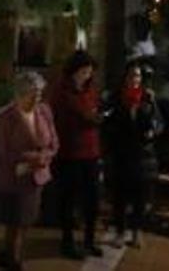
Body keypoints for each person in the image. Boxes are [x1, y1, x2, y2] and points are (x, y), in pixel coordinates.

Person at [0, 71, 58, 271]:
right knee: (15, 223)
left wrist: (46, 156)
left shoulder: (44, 111)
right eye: (33, 94)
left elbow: (54, 142)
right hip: (12, 177)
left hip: (36, 177)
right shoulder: (4, 117)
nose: (37, 98)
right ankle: (14, 261)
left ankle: (10, 256)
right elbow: (0, 152)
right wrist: (32, 158)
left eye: (39, 93)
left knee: (27, 221)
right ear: (20, 94)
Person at [103, 60, 163, 248]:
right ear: (125, 77)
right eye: (131, 75)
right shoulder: (115, 97)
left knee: (140, 196)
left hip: (142, 154)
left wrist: (153, 131)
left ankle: (136, 232)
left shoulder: (147, 97)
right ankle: (120, 232)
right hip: (121, 153)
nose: (134, 79)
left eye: (137, 76)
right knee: (120, 195)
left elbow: (159, 121)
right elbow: (107, 122)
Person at [51, 50, 104, 258]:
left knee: (92, 198)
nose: (86, 76)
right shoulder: (62, 91)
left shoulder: (90, 90)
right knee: (69, 199)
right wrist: (86, 117)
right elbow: (60, 117)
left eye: (89, 72)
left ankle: (89, 240)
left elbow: (94, 110)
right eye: (83, 72)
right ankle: (68, 242)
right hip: (69, 153)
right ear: (73, 71)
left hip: (90, 151)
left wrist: (96, 117)